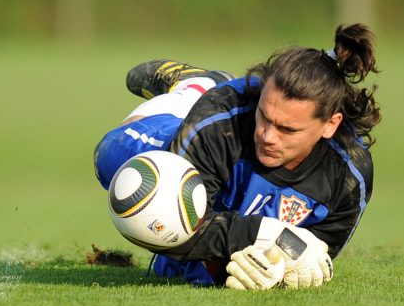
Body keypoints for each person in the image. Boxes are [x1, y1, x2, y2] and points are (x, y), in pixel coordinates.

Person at [93, 24, 381, 290]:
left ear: (330, 124)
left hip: (225, 203)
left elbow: (315, 259)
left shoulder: (350, 175)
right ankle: (193, 88)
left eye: (286, 129)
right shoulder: (219, 122)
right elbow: (169, 229)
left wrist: (276, 271)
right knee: (112, 163)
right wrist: (265, 233)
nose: (268, 135)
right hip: (187, 134)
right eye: (264, 116)